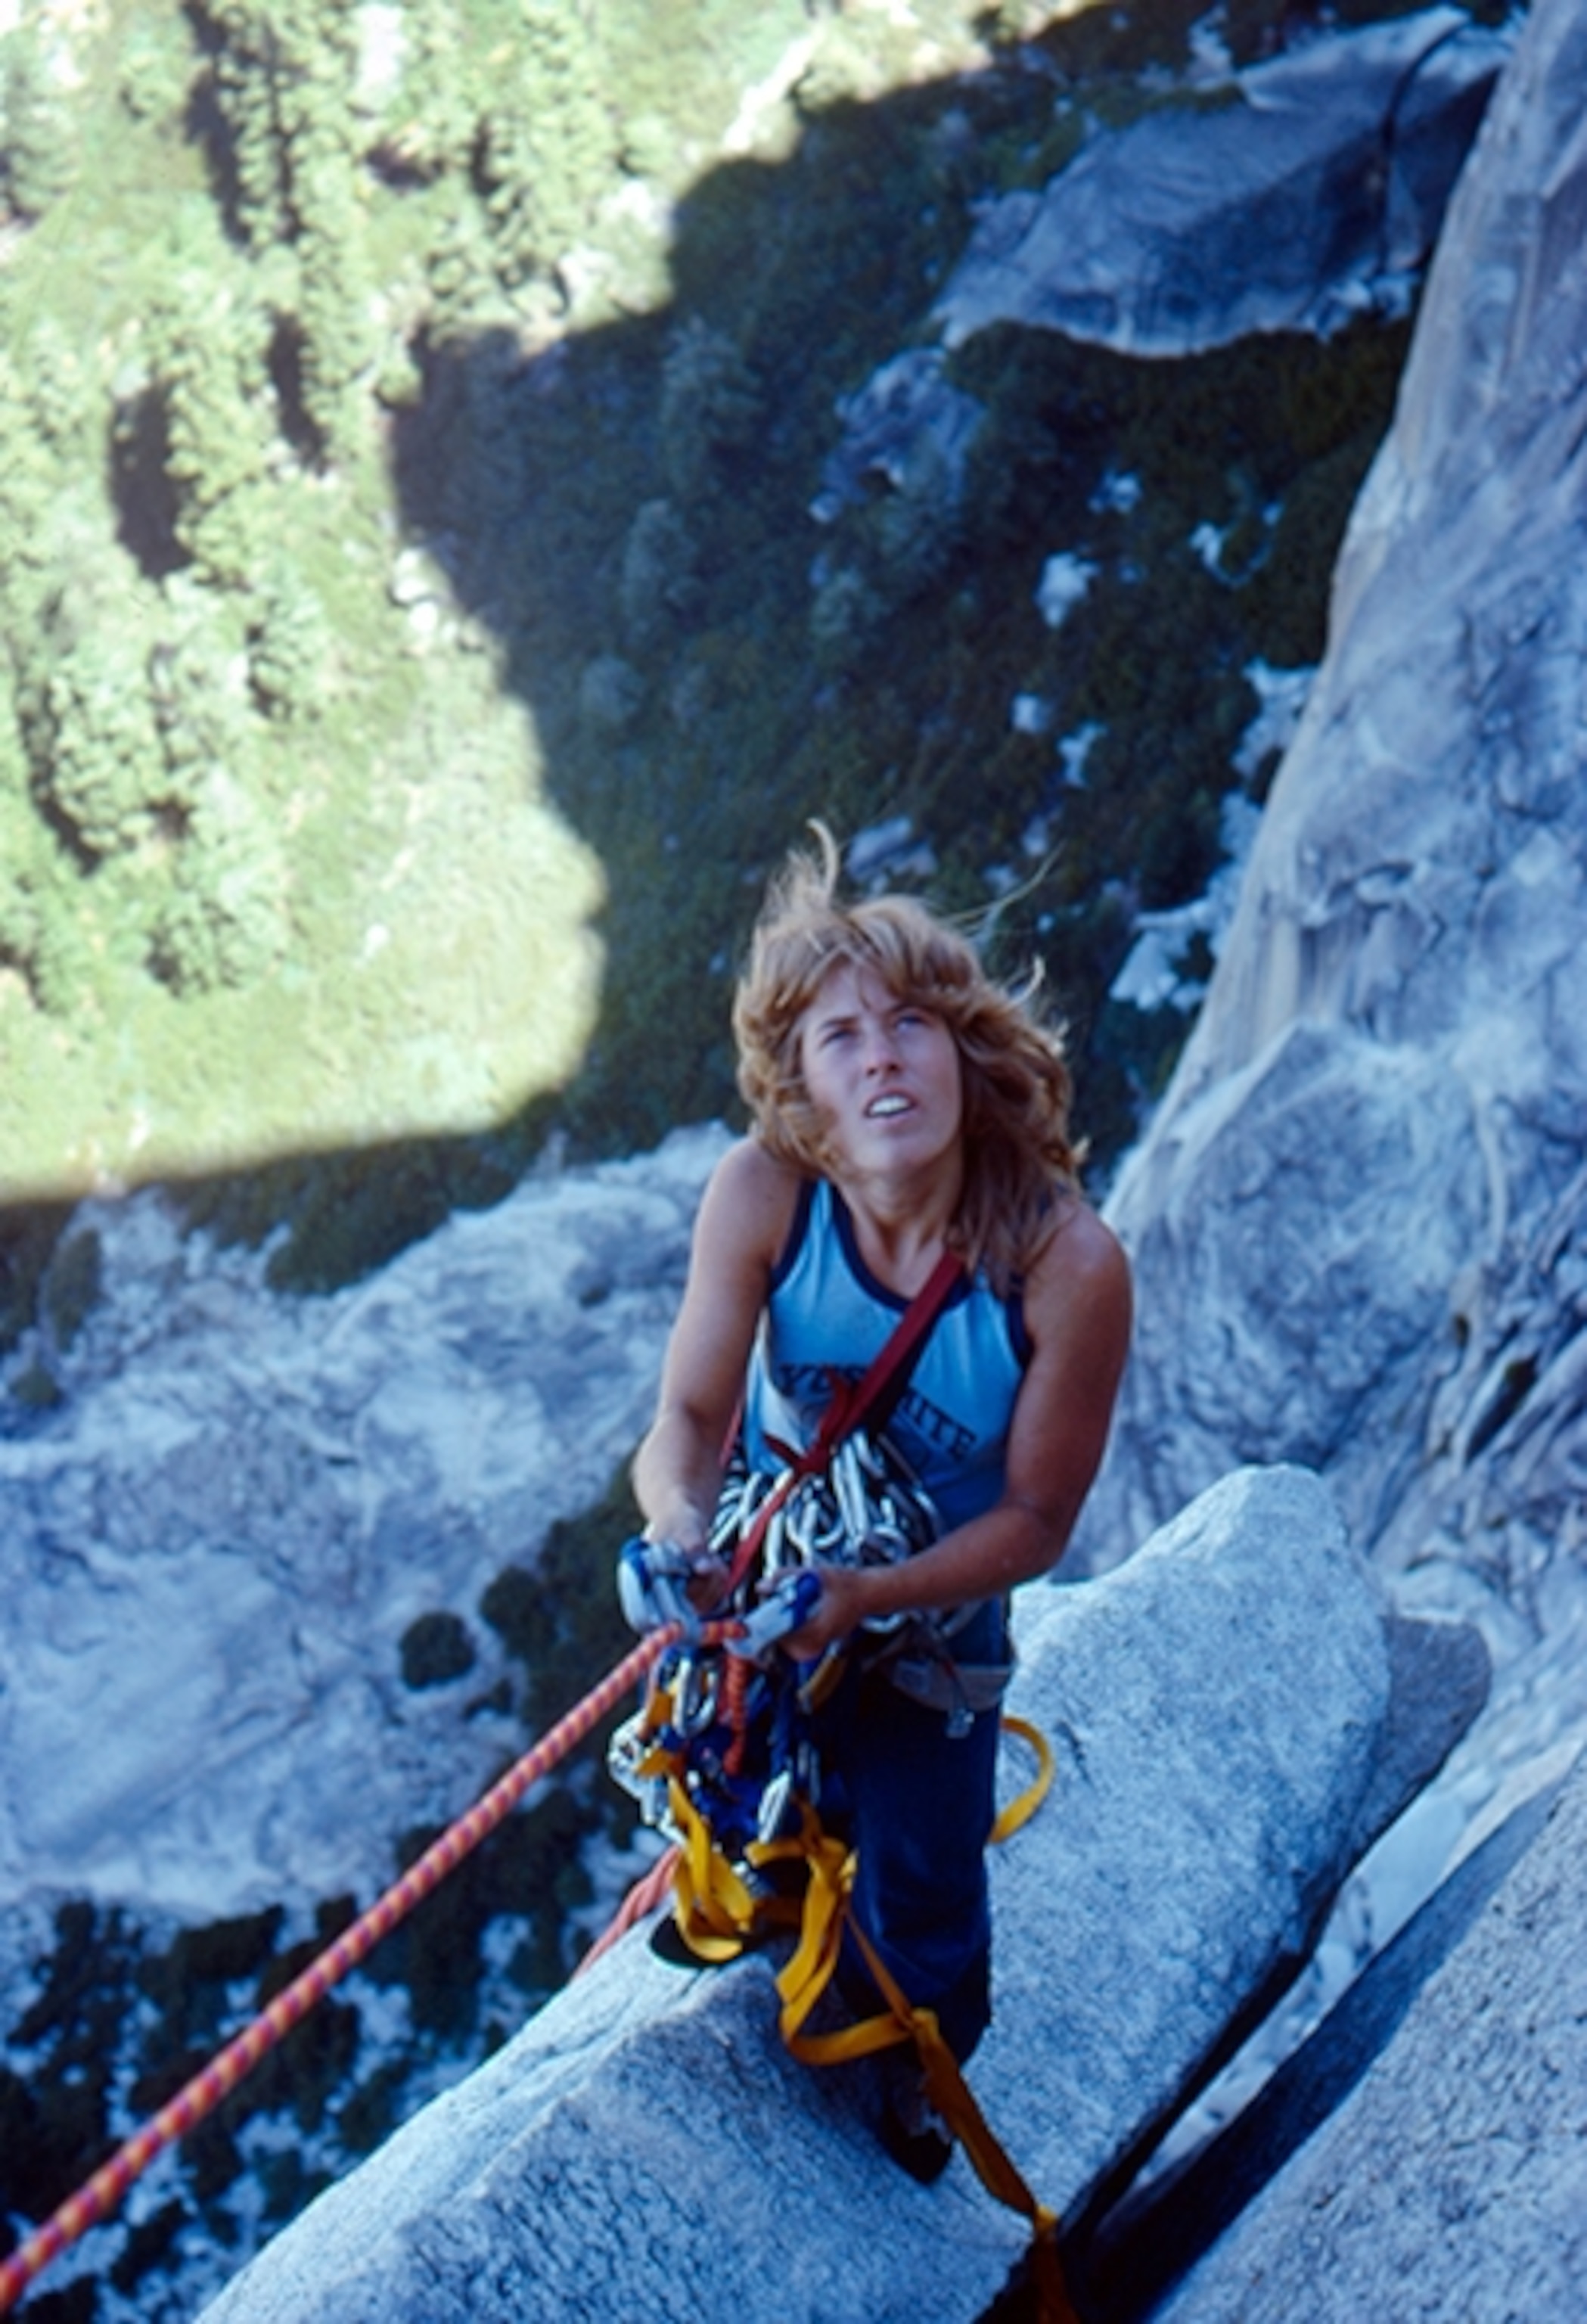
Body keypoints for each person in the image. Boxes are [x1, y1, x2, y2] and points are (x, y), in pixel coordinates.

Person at [631, 825, 1132, 2173]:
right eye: (840, 1037)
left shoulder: (1063, 1266)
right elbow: (687, 1423)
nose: (881, 1058)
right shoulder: (762, 1195)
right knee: (741, 1782)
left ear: (965, 1053)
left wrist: (870, 1595)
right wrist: (677, 1529)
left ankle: (914, 2072)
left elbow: (1034, 1522)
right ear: (799, 1080)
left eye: (911, 1024)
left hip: (931, 1622)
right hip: (777, 1566)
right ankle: (768, 1899)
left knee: (924, 1892)